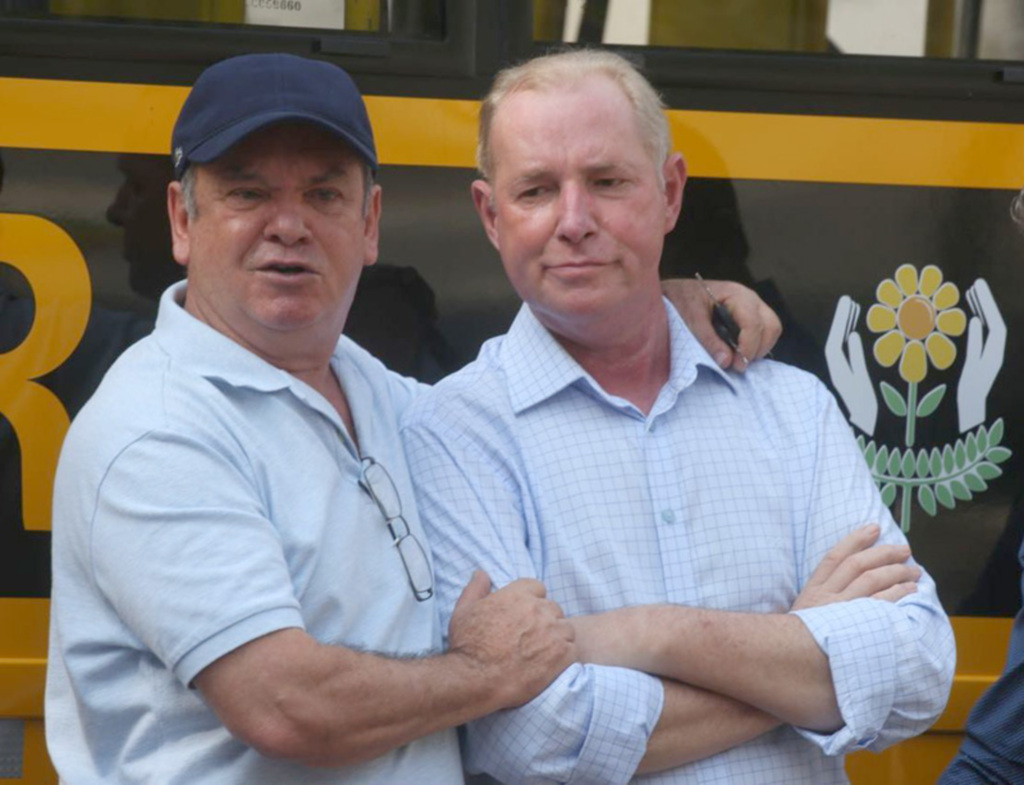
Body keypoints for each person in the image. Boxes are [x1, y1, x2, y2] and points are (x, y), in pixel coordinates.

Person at [44, 52, 779, 783]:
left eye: (325, 195)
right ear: (183, 219)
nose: (289, 225)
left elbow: (533, 387)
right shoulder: (158, 428)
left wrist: (660, 304)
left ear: (369, 224)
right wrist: (487, 671)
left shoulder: (385, 394)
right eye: (246, 193)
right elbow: (285, 703)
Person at [400, 49, 956, 783]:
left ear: (670, 192)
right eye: (536, 189)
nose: (574, 221)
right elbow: (531, 734)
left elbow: (917, 670)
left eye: (607, 182)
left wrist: (651, 634)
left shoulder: (793, 408)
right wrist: (797, 649)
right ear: (490, 214)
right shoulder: (453, 432)